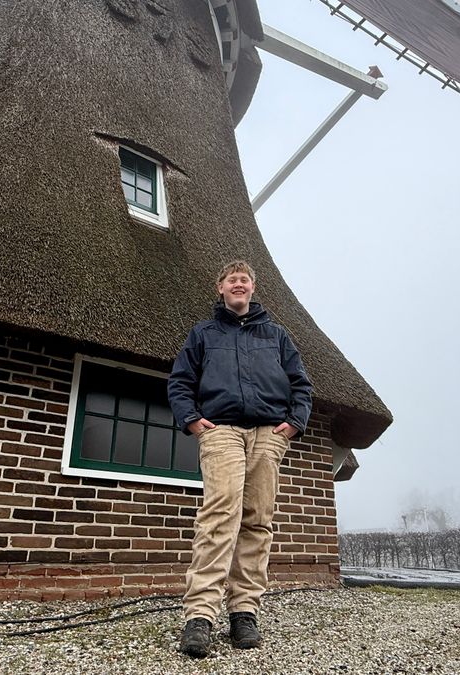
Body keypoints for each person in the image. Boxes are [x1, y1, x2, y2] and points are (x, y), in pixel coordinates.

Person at [167, 260, 313, 658]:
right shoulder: (203, 333)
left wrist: (293, 424)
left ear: (252, 288)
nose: (238, 283)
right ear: (221, 288)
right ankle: (200, 615)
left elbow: (301, 383)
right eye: (231, 279)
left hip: (269, 433)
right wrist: (193, 421)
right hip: (221, 430)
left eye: (244, 279)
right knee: (219, 513)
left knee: (257, 520)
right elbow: (180, 382)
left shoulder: (277, 335)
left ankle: (243, 611)